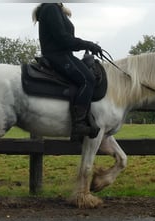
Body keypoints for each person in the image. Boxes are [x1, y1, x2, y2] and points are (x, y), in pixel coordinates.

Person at [32, 3, 102, 141]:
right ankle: (78, 124)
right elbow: (63, 38)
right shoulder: (51, 7)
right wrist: (87, 45)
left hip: (64, 55)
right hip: (58, 55)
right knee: (88, 79)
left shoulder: (54, 8)